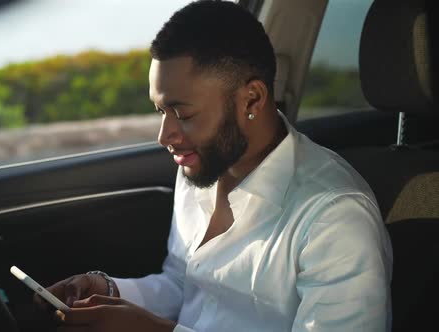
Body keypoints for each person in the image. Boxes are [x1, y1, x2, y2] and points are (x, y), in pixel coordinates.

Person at [35, 1, 393, 331]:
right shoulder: (201, 167)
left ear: (251, 98)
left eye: (183, 114)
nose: (165, 135)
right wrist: (110, 290)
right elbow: (185, 284)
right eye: (161, 111)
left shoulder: (334, 216)